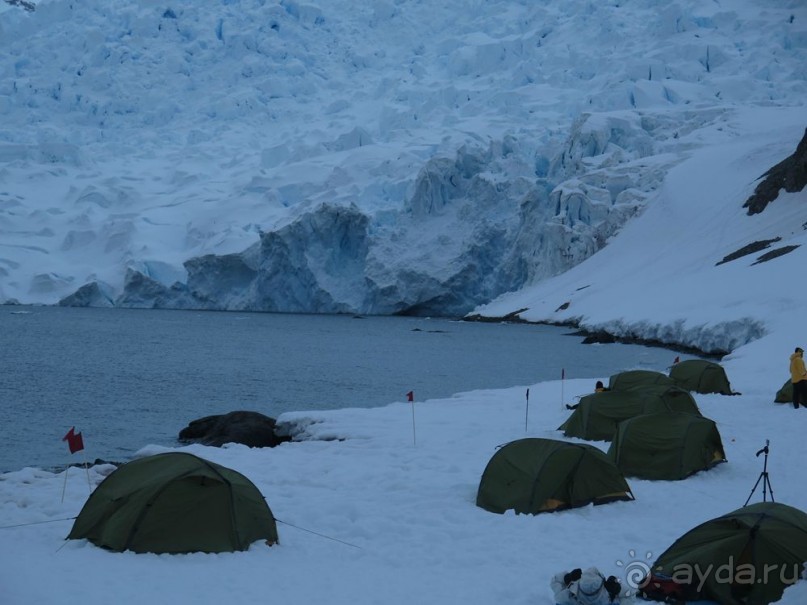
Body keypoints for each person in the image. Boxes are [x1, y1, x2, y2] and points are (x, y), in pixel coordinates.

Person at [551, 567, 621, 605]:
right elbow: (627, 597)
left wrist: (567, 577)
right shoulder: (606, 600)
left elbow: (555, 581)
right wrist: (616, 589)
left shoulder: (568, 597)